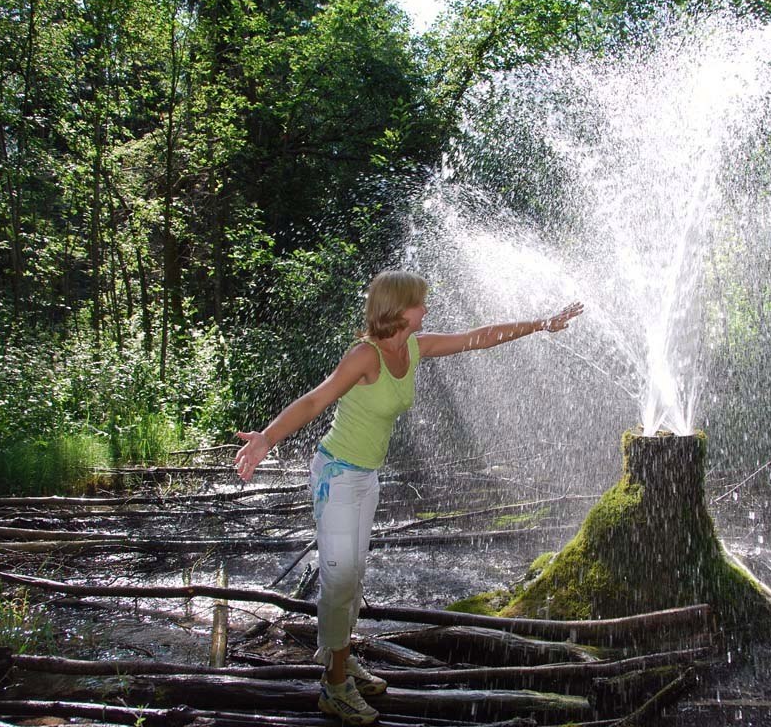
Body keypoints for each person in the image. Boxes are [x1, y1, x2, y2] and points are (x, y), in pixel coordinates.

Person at [234, 270, 583, 725]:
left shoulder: (414, 347)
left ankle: (338, 657)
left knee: (352, 577)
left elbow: (477, 338)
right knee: (340, 582)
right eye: (420, 301)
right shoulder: (365, 355)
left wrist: (541, 324)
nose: (427, 307)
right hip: (336, 477)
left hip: (366, 478)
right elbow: (314, 401)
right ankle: (334, 686)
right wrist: (267, 437)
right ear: (398, 309)